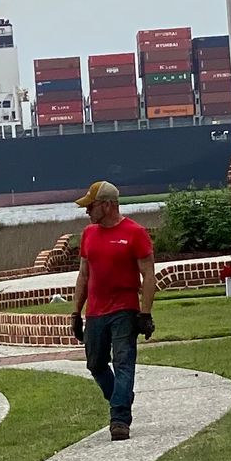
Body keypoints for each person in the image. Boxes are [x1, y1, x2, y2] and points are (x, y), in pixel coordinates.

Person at [67, 181, 155, 442]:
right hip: (96, 311)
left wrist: (145, 313)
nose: (87, 211)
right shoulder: (88, 234)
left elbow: (148, 275)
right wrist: (75, 313)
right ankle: (122, 395)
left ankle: (119, 419)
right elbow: (83, 275)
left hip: (124, 309)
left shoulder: (135, 233)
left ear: (107, 205)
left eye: (90, 206)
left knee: (123, 361)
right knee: (95, 364)